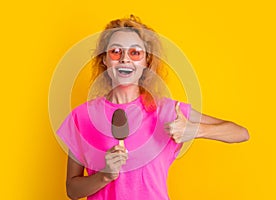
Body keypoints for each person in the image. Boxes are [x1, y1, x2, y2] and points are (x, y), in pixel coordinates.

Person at [56, 15, 249, 200]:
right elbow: (72, 191)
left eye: (135, 53)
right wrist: (104, 176)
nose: (125, 59)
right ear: (104, 60)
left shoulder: (168, 111)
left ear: (146, 62)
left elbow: (241, 133)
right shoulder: (82, 116)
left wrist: (195, 130)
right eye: (116, 51)